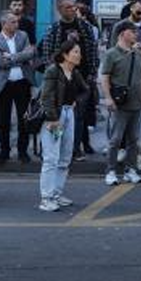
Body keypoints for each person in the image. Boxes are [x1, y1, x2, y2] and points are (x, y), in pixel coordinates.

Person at [37, 0, 99, 161]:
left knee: (78, 117)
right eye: (68, 7)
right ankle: (55, 147)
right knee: (59, 115)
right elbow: (47, 54)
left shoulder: (85, 27)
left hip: (81, 78)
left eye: (73, 6)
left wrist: (92, 73)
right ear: (60, 10)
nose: (73, 9)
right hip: (60, 79)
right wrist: (54, 74)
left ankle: (74, 148)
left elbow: (93, 50)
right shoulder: (54, 29)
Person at [37, 40, 90, 212]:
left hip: (68, 114)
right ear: (65, 54)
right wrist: (53, 119)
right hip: (54, 116)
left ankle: (56, 194)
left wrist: (76, 102)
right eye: (76, 52)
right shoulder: (53, 70)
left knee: (65, 157)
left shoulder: (75, 72)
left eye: (79, 52)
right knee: (51, 158)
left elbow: (85, 90)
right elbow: (46, 96)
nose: (79, 55)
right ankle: (46, 198)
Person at [100, 20, 141, 186]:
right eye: (133, 32)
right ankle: (111, 171)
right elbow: (105, 77)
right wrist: (108, 97)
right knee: (115, 139)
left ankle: (131, 170)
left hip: (136, 102)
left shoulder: (138, 54)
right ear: (123, 34)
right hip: (119, 103)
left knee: (133, 139)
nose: (136, 34)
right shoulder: (111, 54)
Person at [0, 12, 37, 165]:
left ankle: (22, 151)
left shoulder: (23, 36)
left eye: (17, 21)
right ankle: (4, 151)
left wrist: (10, 57)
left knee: (24, 118)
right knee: (2, 120)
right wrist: (19, 57)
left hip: (22, 82)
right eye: (13, 22)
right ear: (4, 25)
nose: (17, 24)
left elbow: (30, 53)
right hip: (4, 84)